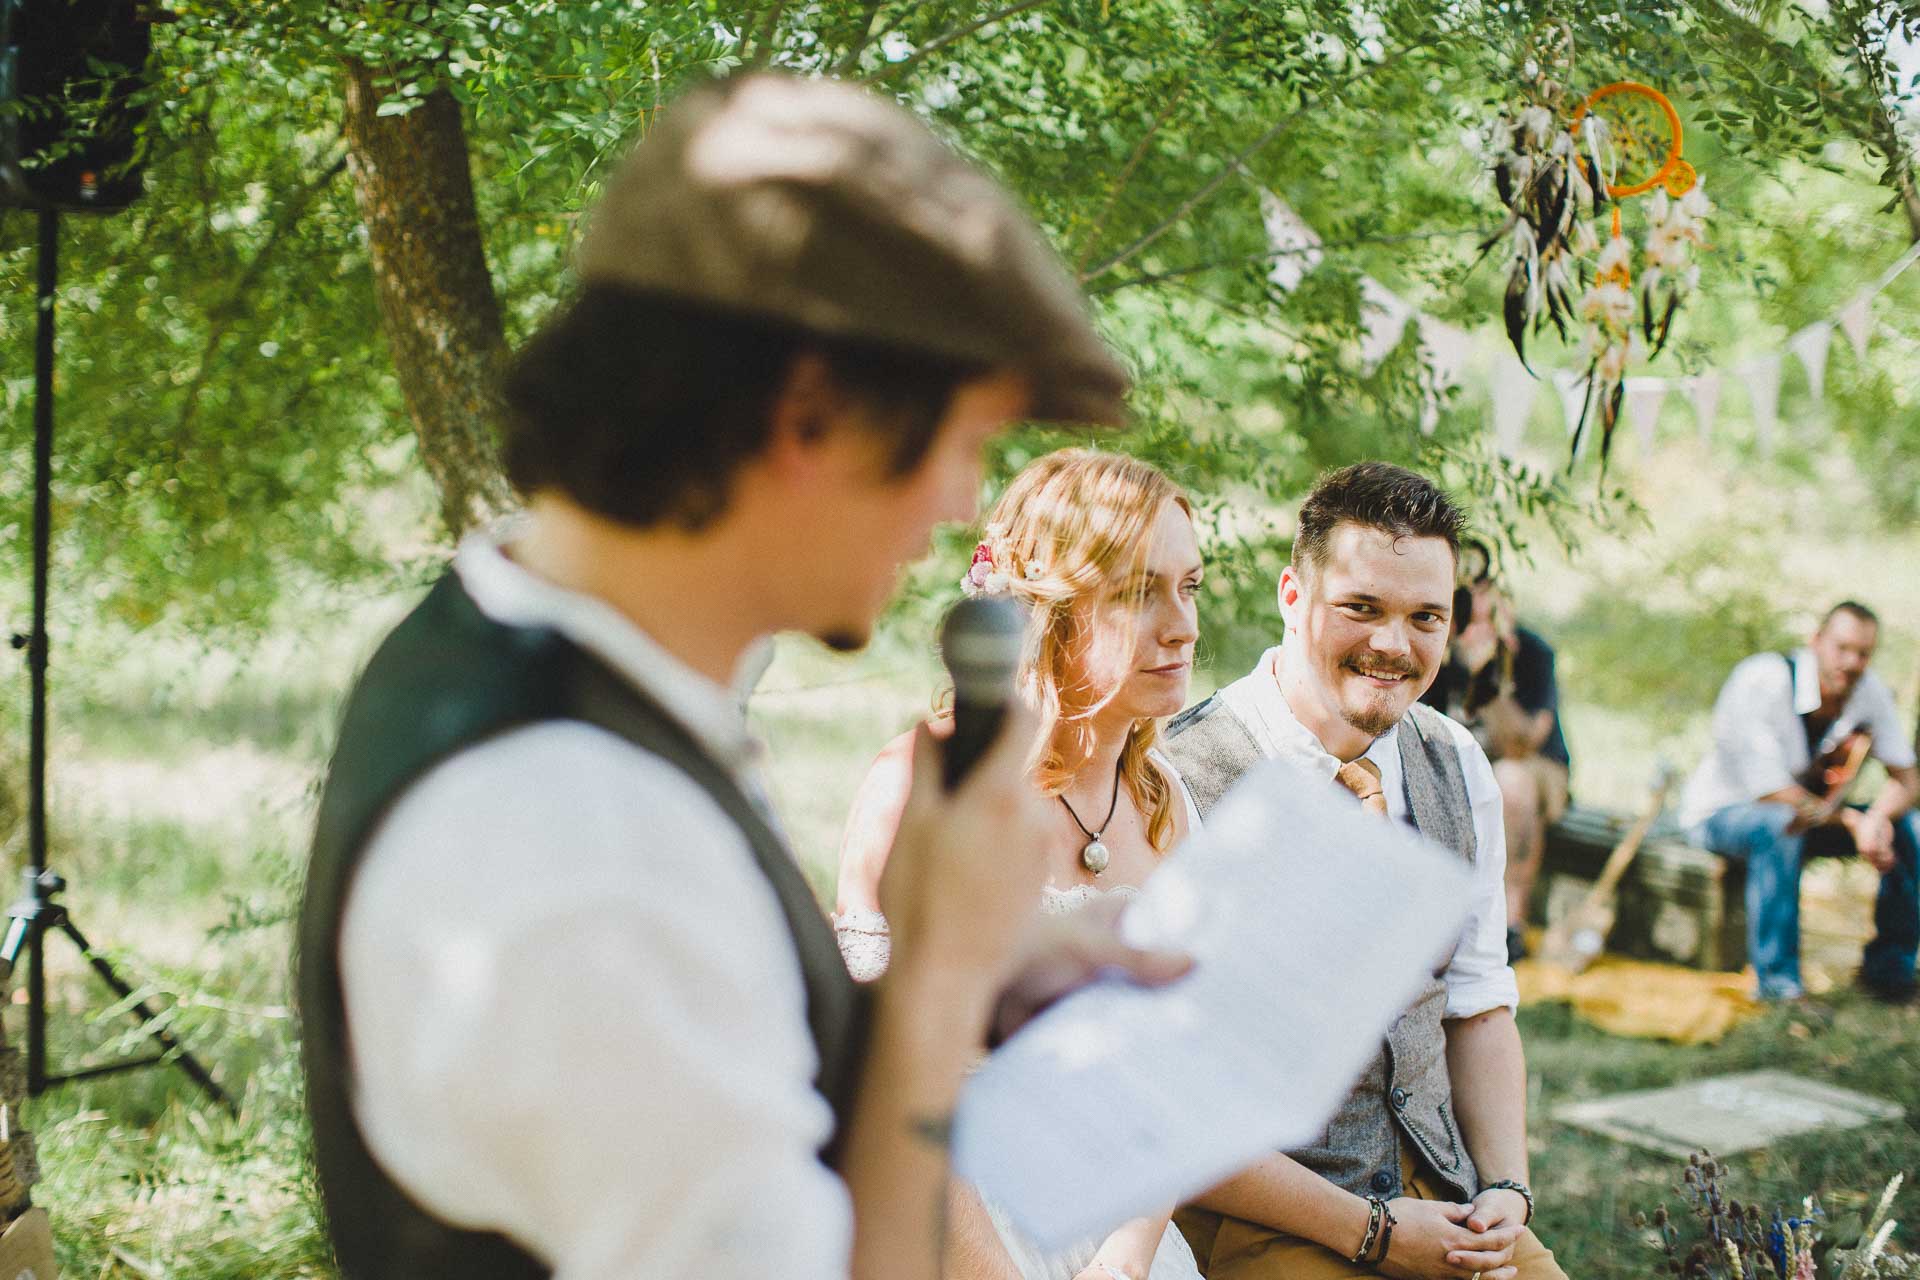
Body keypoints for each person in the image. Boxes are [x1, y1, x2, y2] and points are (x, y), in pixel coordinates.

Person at [295, 72, 1189, 1280]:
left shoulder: (561, 669)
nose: (963, 505)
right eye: (961, 442)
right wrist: (929, 987)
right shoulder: (570, 841)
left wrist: (973, 969)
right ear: (808, 411)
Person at [1163, 462, 1564, 1280]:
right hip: (1268, 1217)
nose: (1393, 645)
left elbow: (1480, 1007)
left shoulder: (1457, 764)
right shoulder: (1180, 778)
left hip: (1445, 1198)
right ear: (1291, 596)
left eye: (1426, 617)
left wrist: (1508, 1190)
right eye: (1361, 608)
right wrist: (1375, 1232)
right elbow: (1170, 1105)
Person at [834, 448, 1207, 1280]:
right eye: (1140, 592)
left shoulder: (1168, 806)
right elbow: (884, 1083)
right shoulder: (925, 788)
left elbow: (1178, 1071)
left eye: (1190, 586)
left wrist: (1127, 1254)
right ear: (1055, 612)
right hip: (949, 1228)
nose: (1182, 626)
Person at [1678, 602, 1920, 1003]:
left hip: (1814, 819)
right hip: (1724, 816)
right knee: (1778, 823)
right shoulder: (1762, 679)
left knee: (1909, 827)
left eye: (1863, 653)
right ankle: (1779, 985)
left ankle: (1890, 971)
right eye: (1841, 648)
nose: (1852, 662)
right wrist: (1852, 823)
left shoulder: (1869, 691)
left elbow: (1908, 780)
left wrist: (1876, 818)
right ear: (1816, 642)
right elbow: (1771, 791)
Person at [1421, 547, 1571, 961]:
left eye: (1486, 592)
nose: (1478, 605)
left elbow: (1521, 744)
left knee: (1512, 782)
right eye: (1467, 594)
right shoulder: (1437, 648)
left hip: (1535, 770)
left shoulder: (1531, 652)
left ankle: (1510, 925)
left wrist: (1483, 677)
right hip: (1464, 766)